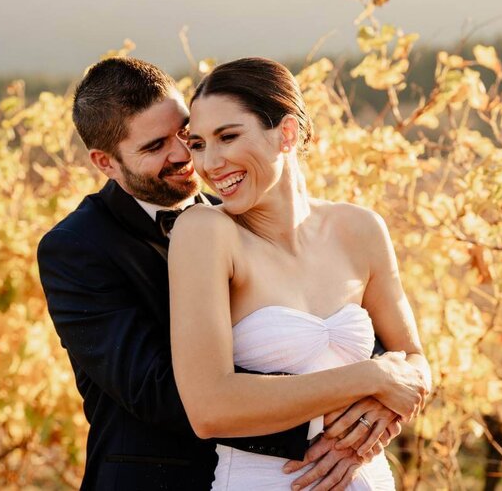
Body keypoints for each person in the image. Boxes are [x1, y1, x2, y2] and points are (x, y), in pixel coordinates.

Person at [37, 57, 402, 490]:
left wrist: (380, 404)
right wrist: (335, 420)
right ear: (106, 163)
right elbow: (160, 391)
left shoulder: (238, 213)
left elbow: (352, 335)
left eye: (185, 134)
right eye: (155, 147)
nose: (184, 155)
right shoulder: (77, 247)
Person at [169, 57, 432, 490]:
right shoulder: (206, 233)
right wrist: (370, 378)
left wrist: (381, 417)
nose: (210, 163)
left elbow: (416, 362)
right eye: (197, 144)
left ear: (287, 133)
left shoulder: (359, 228)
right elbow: (208, 408)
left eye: (228, 137)